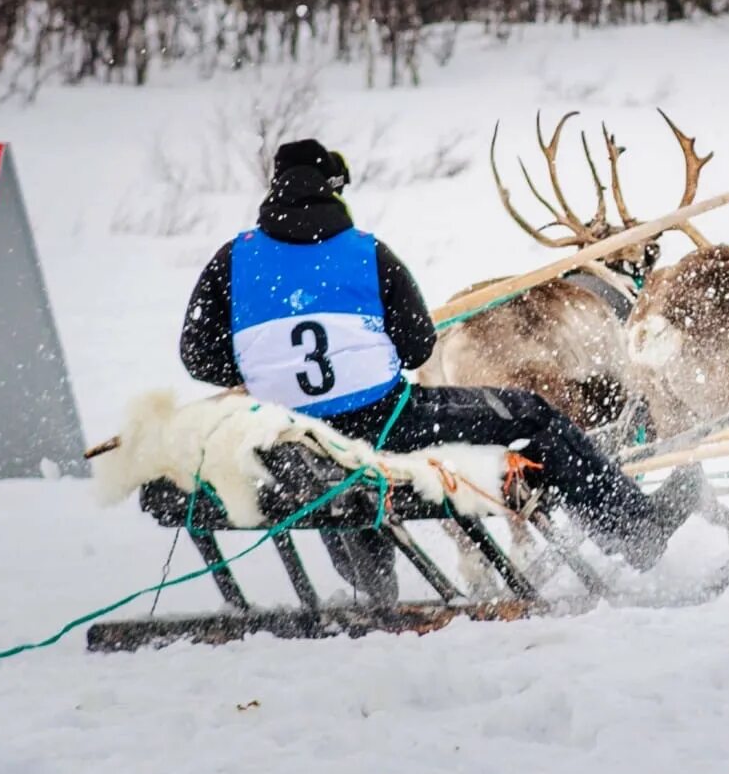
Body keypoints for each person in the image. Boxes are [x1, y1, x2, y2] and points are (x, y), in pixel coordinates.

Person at [179, 138, 700, 567]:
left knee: (343, 456)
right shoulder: (366, 252)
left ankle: (364, 564)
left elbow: (197, 355)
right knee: (536, 415)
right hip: (383, 421)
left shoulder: (233, 260)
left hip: (287, 431)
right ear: (334, 191)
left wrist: (262, 368)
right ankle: (635, 529)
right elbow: (416, 347)